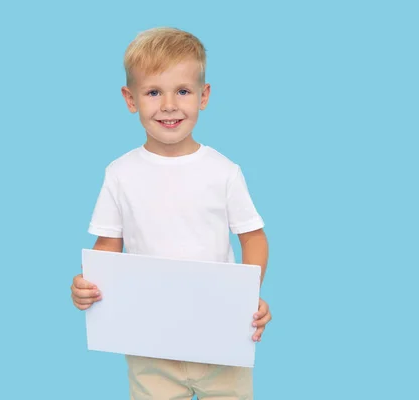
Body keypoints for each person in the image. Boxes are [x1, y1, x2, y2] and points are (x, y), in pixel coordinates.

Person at [71, 27, 272, 400]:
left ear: (204, 95)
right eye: (153, 92)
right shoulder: (119, 174)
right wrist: (87, 284)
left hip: (220, 336)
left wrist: (248, 294)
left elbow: (253, 237)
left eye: (182, 91)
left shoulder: (224, 172)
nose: (168, 105)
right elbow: (108, 243)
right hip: (149, 342)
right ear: (130, 99)